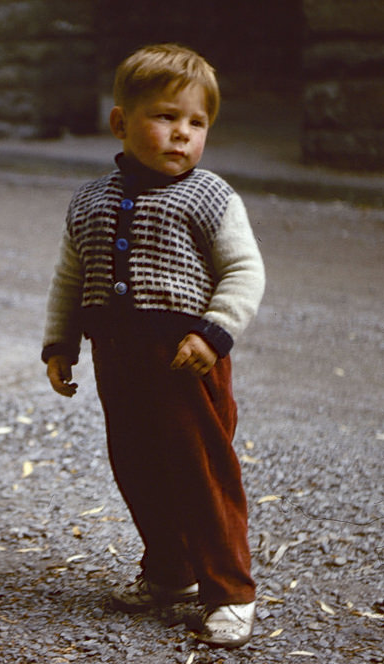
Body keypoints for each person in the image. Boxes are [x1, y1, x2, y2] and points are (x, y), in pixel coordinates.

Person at [41, 43, 265, 648]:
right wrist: (60, 344)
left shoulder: (209, 196)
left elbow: (245, 272)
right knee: (138, 467)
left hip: (185, 360)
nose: (182, 135)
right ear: (121, 122)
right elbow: (70, 277)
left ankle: (231, 590)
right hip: (118, 359)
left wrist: (213, 333)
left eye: (197, 124)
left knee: (201, 474)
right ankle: (170, 574)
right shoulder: (88, 200)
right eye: (166, 117)